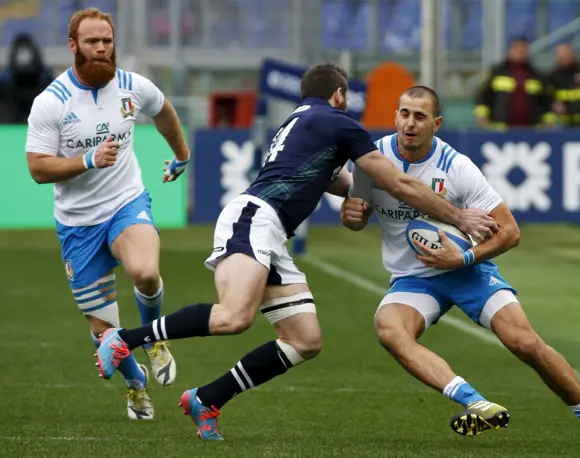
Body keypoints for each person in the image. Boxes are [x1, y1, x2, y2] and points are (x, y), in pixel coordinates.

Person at [94, 63, 497, 440]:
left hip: (270, 229)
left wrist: (362, 198)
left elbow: (343, 181)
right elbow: (398, 183)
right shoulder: (336, 121)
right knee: (234, 316)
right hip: (255, 218)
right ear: (340, 95)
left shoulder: (301, 120)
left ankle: (207, 399)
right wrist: (459, 217)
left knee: (304, 340)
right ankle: (124, 338)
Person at [341, 85, 580, 451]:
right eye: (404, 113)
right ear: (396, 115)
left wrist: (462, 258)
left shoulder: (456, 167)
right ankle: (476, 402)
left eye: (420, 116)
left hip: (468, 271)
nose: (410, 123)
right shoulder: (373, 157)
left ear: (437, 123)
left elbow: (510, 232)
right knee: (389, 330)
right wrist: (352, 216)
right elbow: (356, 217)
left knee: (524, 343)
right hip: (414, 278)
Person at [25, 8, 187, 420]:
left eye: (107, 41)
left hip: (125, 203)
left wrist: (181, 155)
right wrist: (88, 160)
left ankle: (153, 339)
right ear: (73, 45)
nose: (101, 48)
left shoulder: (133, 87)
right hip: (78, 224)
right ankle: (136, 386)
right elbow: (38, 168)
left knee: (146, 272)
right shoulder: (51, 102)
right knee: (103, 333)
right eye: (93, 41)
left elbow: (164, 110)